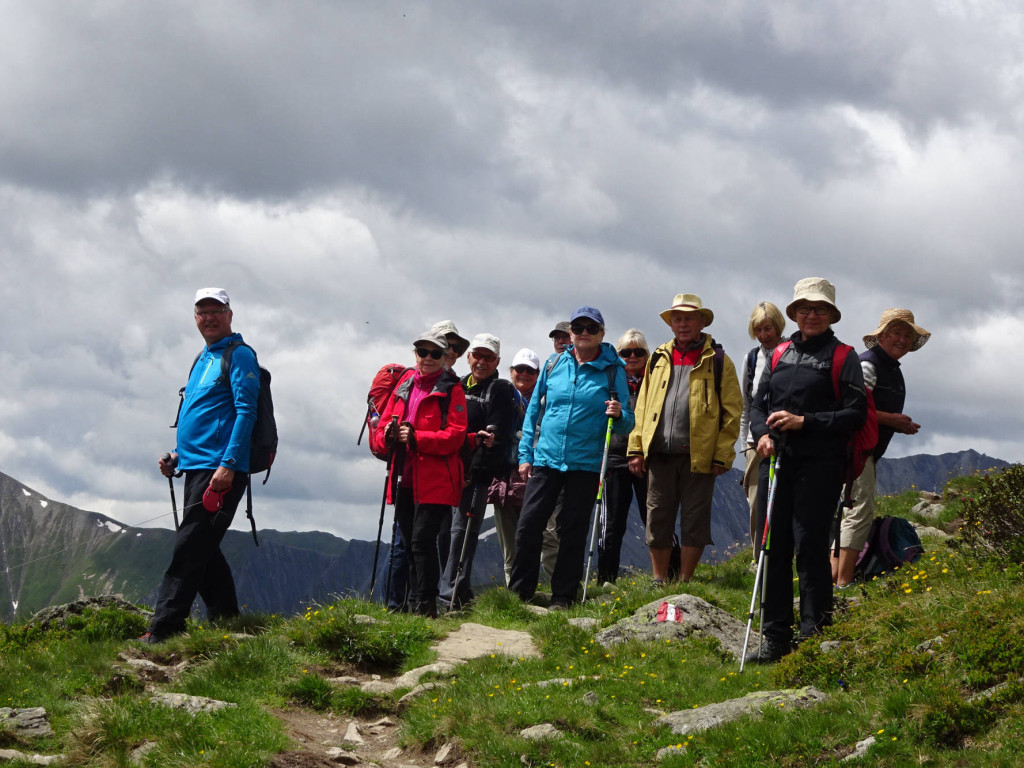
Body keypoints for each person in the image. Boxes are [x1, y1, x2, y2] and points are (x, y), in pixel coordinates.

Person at [748, 277, 867, 663]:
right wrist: (762, 434)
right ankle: (775, 636)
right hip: (777, 459)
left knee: (810, 545)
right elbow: (757, 405)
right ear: (795, 314)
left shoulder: (843, 355)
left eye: (819, 309)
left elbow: (855, 413)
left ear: (831, 315)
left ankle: (814, 634)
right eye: (804, 308)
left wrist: (805, 421)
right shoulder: (780, 352)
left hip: (821, 463)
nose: (811, 315)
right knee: (773, 545)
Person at [140, 288, 260, 644]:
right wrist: (176, 456)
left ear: (230, 315)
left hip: (219, 471)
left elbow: (246, 412)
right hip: (196, 467)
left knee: (189, 548)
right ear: (195, 317)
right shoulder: (203, 358)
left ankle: (164, 629)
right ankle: (227, 620)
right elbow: (201, 416)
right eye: (202, 312)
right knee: (202, 547)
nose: (209, 317)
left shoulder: (239, 357)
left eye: (216, 311)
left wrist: (228, 466)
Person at [510, 306, 635, 608]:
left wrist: (619, 415)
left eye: (591, 328)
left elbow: (628, 421)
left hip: (586, 462)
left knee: (573, 530)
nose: (584, 333)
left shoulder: (613, 370)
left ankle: (563, 596)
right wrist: (526, 455)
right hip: (547, 459)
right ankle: (518, 594)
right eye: (578, 328)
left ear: (602, 334)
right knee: (528, 525)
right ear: (571, 333)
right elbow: (533, 414)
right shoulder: (554, 364)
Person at [627, 294, 742, 584]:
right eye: (677, 319)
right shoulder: (657, 358)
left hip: (699, 456)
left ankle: (686, 580)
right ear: (670, 324)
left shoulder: (718, 360)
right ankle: (658, 579)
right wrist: (636, 448)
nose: (682, 324)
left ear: (701, 322)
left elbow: (732, 411)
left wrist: (723, 454)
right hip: (660, 453)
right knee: (658, 518)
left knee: (695, 520)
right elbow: (643, 407)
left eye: (689, 318)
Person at [371, 330, 467, 617]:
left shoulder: (452, 388)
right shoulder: (404, 385)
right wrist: (387, 436)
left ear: (444, 357)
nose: (427, 358)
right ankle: (416, 605)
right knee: (413, 542)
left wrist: (417, 438)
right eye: (421, 352)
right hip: (404, 476)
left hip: (435, 480)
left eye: (434, 353)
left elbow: (456, 436)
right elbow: (382, 428)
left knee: (421, 541)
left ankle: (425, 605)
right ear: (415, 354)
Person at [832, 308, 930, 586]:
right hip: (855, 450)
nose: (901, 340)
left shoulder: (887, 367)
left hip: (863, 451)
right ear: (882, 336)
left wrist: (897, 423)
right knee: (859, 510)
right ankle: (843, 582)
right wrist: (893, 420)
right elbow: (852, 409)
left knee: (851, 511)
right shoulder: (869, 365)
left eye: (907, 335)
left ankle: (834, 577)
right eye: (896, 333)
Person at [440, 333, 518, 608]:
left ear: (497, 360)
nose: (482, 362)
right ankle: (456, 594)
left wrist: (475, 472)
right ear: (469, 357)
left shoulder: (500, 389)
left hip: (475, 475)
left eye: (489, 357)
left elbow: (497, 434)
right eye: (478, 355)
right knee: (445, 531)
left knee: (462, 532)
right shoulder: (458, 386)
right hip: (447, 472)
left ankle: (451, 596)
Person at [597, 329, 651, 584]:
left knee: (654, 519)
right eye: (626, 352)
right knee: (611, 523)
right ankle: (606, 579)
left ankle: (670, 576)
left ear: (646, 354)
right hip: (615, 458)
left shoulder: (655, 382)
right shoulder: (610, 380)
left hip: (648, 459)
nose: (632, 356)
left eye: (638, 351)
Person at [488, 348, 541, 585]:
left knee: (538, 532)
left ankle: (539, 583)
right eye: (520, 369)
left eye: (530, 370)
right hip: (504, 473)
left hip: (535, 473)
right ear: (511, 371)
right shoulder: (501, 396)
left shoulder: (545, 401)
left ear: (538, 374)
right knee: (507, 534)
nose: (524, 374)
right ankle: (513, 587)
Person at [737, 302, 786, 550]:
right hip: (755, 441)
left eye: (768, 328)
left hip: (786, 438)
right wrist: (746, 441)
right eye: (758, 330)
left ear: (778, 326)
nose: (764, 335)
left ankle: (783, 553)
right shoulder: (752, 358)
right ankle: (759, 556)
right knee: (756, 500)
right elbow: (746, 404)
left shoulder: (792, 352)